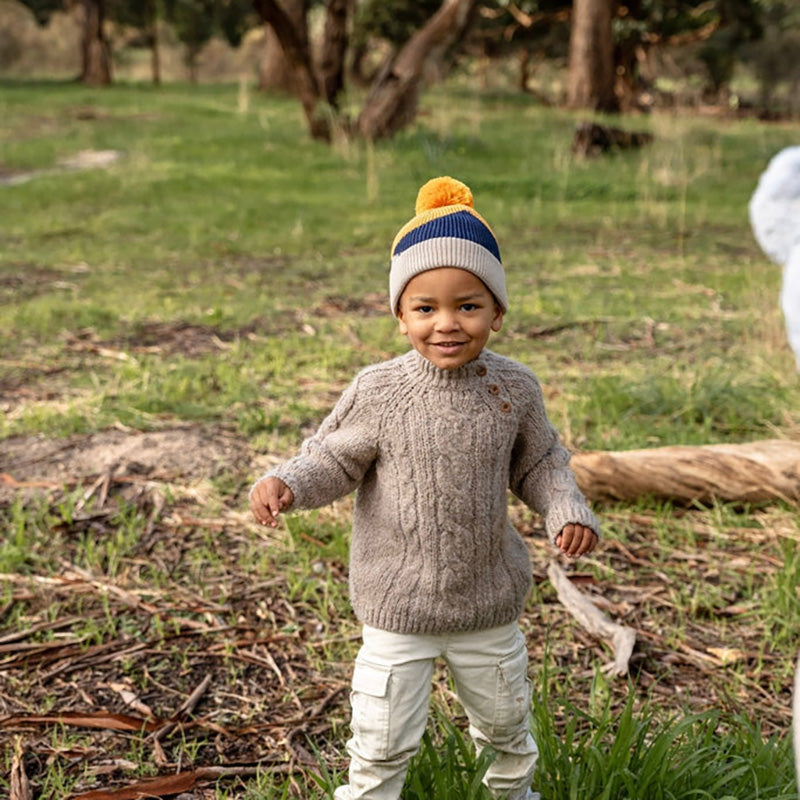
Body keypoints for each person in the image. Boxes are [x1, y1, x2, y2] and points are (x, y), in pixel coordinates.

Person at [249, 176, 600, 800]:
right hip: (396, 607)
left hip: (486, 604)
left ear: (497, 312)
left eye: (468, 305)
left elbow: (540, 463)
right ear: (399, 315)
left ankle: (512, 796)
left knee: (506, 730)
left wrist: (566, 507)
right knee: (381, 740)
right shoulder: (380, 392)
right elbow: (333, 457)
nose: (447, 324)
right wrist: (288, 482)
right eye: (425, 307)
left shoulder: (513, 390)